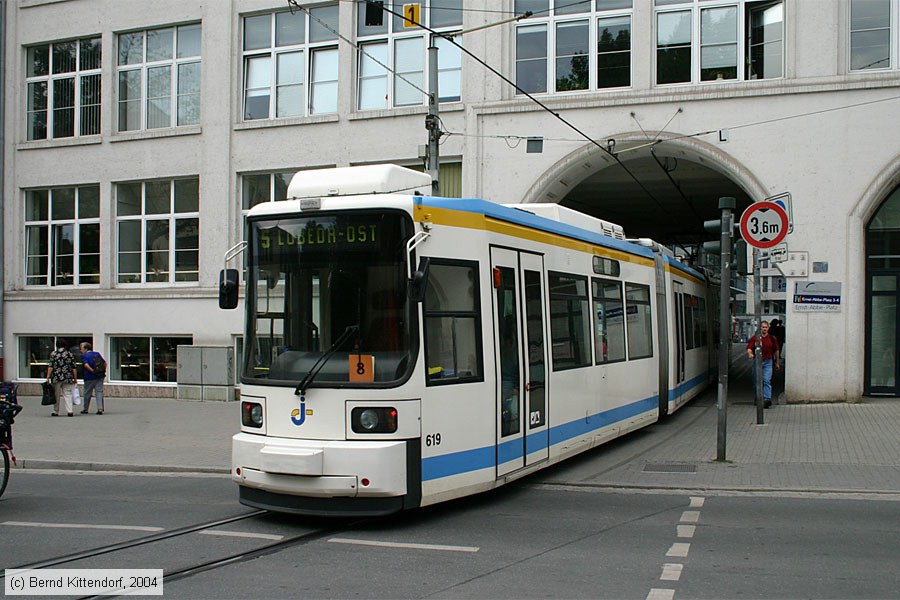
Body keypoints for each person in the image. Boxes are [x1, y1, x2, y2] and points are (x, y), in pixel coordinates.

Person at [746, 320, 781, 408]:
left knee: (766, 380)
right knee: (756, 381)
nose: (764, 329)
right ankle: (757, 398)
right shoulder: (755, 338)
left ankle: (767, 399)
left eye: (766, 327)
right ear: (760, 328)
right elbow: (750, 348)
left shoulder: (772, 338)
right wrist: (750, 353)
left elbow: (776, 350)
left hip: (768, 362)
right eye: (763, 327)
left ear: (768, 328)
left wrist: (777, 362)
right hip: (757, 362)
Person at [46, 338, 78, 417]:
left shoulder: (54, 354)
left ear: (57, 345)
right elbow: (74, 367)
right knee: (68, 394)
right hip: (67, 377)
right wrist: (75, 379)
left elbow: (51, 366)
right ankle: (70, 411)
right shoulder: (69, 354)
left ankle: (56, 411)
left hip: (56, 377)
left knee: (56, 395)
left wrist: (48, 376)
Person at [79, 341, 106, 415]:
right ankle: (100, 408)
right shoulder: (97, 354)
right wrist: (102, 371)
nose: (81, 351)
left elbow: (86, 365)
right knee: (99, 391)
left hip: (89, 377)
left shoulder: (84, 356)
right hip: (100, 376)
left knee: (87, 393)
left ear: (86, 349)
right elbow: (104, 363)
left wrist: (93, 371)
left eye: (81, 349)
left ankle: (85, 409)